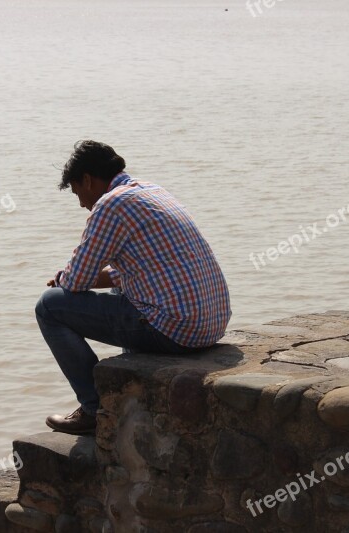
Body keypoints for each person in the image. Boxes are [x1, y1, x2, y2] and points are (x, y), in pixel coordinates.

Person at [36, 140, 231, 435]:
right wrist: (81, 279)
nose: (81, 204)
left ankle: (95, 409)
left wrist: (62, 280)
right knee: (120, 287)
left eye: (78, 193)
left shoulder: (110, 204)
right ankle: (128, 388)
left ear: (87, 180)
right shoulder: (151, 190)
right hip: (211, 325)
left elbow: (76, 280)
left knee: (49, 306)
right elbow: (143, 270)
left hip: (177, 331)